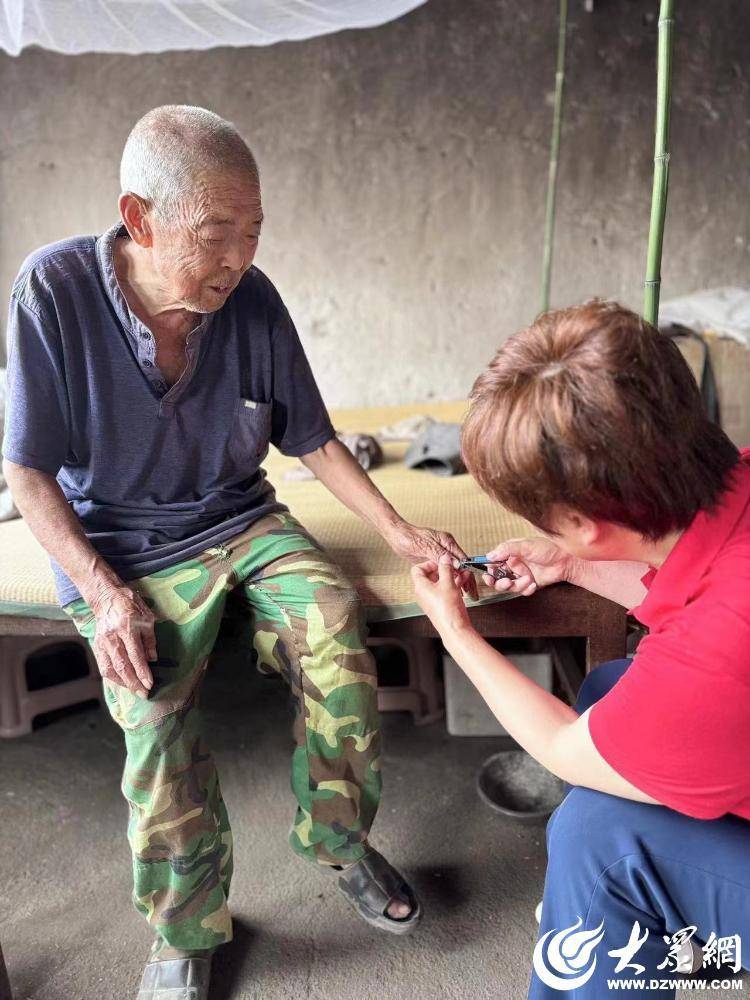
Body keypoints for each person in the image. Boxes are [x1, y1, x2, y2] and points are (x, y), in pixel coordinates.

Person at [1, 105, 477, 1000]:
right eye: (217, 233)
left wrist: (400, 532)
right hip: (117, 542)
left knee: (335, 626)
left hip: (240, 521)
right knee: (152, 705)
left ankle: (338, 841)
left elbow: (316, 441)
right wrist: (106, 594)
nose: (239, 258)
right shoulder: (53, 291)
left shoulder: (250, 301)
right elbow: (25, 473)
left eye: (253, 233)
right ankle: (186, 927)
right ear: (139, 218)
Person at [411, 301, 750, 998]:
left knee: (596, 842)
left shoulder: (719, 650)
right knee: (611, 690)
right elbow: (696, 591)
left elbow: (565, 748)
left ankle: (623, 938)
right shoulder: (736, 478)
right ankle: (671, 940)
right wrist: (574, 567)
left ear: (579, 521)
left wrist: (456, 634)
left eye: (548, 521)